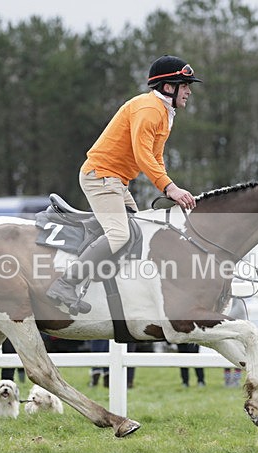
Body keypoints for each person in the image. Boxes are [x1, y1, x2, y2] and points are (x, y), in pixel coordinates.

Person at [46, 55, 202, 314]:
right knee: (120, 234)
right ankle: (65, 283)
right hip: (101, 177)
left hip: (115, 181)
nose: (188, 91)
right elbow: (143, 156)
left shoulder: (163, 112)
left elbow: (156, 157)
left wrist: (167, 185)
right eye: (184, 85)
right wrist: (169, 188)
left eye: (188, 86)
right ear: (167, 87)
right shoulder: (150, 110)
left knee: (137, 229)